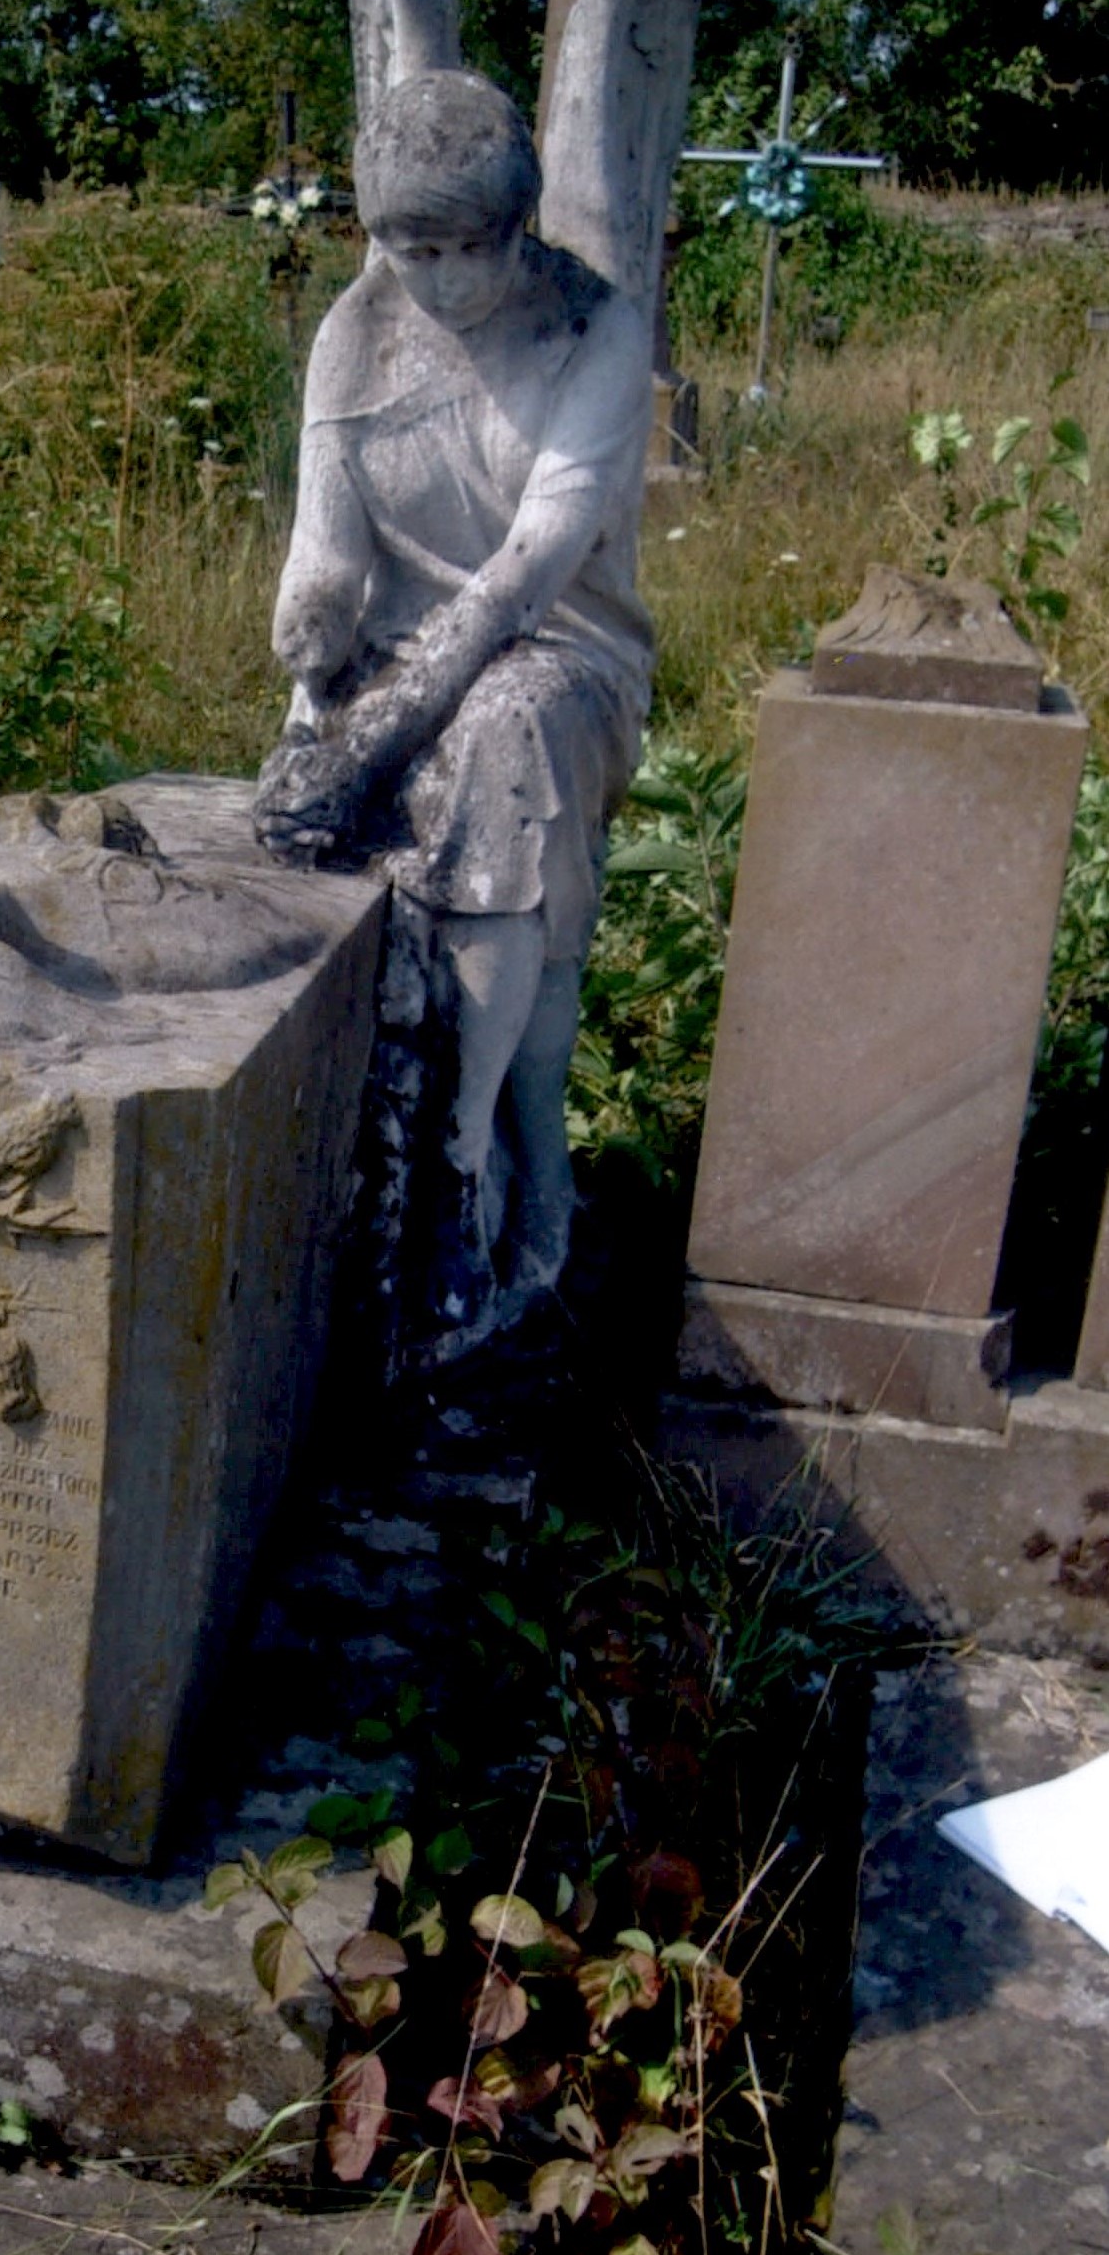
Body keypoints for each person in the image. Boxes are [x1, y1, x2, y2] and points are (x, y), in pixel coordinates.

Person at [255, 69, 653, 1353]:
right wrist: (313, 645)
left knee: (496, 735)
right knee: (302, 821)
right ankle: (346, 1175)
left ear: (516, 227)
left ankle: (459, 1172)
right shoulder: (353, 335)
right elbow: (326, 553)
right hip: (390, 657)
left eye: (459, 249)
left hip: (560, 654)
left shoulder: (591, 328)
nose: (431, 278)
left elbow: (534, 564)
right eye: (405, 248)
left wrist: (388, 726)